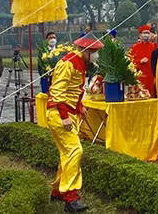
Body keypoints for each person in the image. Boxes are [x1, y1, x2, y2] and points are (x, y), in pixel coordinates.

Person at [47, 32, 103, 213]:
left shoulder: (79, 62)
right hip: (59, 114)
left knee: (67, 153)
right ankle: (71, 197)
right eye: (94, 51)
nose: (96, 55)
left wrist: (79, 107)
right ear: (86, 50)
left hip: (68, 112)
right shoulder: (69, 62)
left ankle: (57, 191)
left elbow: (74, 90)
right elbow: (57, 92)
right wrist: (64, 116)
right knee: (74, 151)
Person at [130, 25, 157, 94]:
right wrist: (140, 61)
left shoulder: (154, 46)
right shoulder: (134, 47)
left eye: (148, 33)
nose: (146, 35)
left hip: (151, 77)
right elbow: (130, 63)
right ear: (140, 35)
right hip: (139, 78)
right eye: (144, 33)